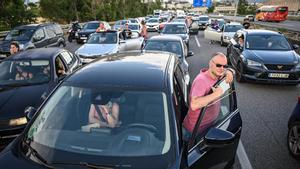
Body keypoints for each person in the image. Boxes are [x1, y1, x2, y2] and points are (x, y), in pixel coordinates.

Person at [182, 52, 235, 140]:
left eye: (224, 66)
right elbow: (194, 105)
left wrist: (229, 71)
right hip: (194, 132)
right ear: (210, 64)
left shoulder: (218, 76)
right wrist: (217, 93)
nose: (221, 68)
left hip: (208, 127)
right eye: (218, 65)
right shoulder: (201, 80)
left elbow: (230, 72)